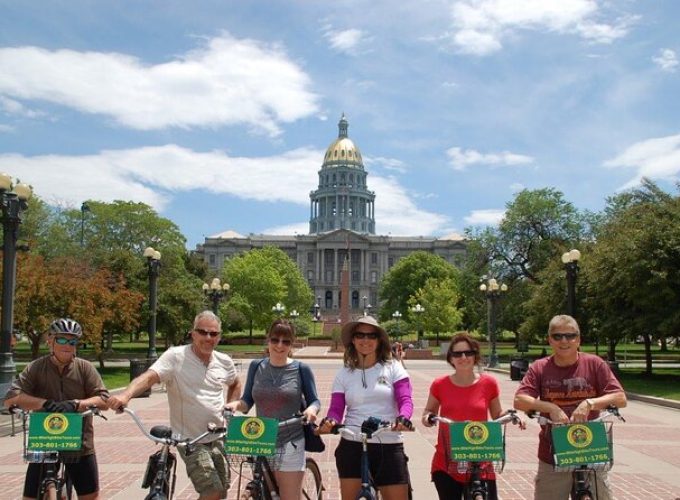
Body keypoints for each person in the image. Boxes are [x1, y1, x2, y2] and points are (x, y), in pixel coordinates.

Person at [107, 310, 242, 500]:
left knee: (222, 490)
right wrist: (125, 395)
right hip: (190, 440)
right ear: (192, 333)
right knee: (211, 490)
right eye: (202, 332)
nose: (208, 337)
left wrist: (231, 405)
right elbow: (149, 378)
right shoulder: (176, 357)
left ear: (219, 336)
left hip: (218, 436)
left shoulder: (223, 361)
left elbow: (235, 382)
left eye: (213, 333)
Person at [514, 314, 627, 500]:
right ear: (550, 340)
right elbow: (520, 400)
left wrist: (589, 403)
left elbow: (620, 398)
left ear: (579, 339)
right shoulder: (539, 367)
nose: (564, 341)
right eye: (557, 336)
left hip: (591, 449)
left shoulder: (595, 364)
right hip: (553, 452)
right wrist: (550, 407)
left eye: (570, 335)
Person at [4, 318, 109, 500]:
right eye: (61, 339)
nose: (67, 345)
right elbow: (11, 398)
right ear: (50, 341)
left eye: (73, 341)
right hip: (44, 439)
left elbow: (105, 400)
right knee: (29, 497)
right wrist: (43, 403)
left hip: (79, 441)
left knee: (90, 496)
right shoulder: (37, 367)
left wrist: (78, 404)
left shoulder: (84, 368)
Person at [318, 316, 414, 500]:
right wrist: (331, 421)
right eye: (360, 335)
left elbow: (405, 399)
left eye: (371, 336)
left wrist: (404, 417)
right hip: (353, 442)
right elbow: (336, 409)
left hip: (388, 441)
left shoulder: (393, 367)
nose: (365, 340)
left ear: (379, 340)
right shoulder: (344, 373)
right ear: (353, 340)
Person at [225, 319, 321, 500]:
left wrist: (311, 410)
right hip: (262, 439)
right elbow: (247, 400)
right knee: (265, 494)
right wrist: (235, 405)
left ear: (292, 344)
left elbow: (315, 400)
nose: (279, 345)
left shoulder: (301, 369)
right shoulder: (256, 366)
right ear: (268, 340)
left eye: (286, 341)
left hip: (290, 440)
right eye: (275, 339)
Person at [421, 331, 522, 500]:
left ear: (475, 356)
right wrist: (428, 418)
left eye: (468, 353)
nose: (463, 357)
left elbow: (497, 414)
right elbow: (428, 411)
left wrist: (511, 416)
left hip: (480, 458)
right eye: (457, 354)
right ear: (450, 358)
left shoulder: (488, 383)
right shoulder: (440, 384)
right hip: (447, 460)